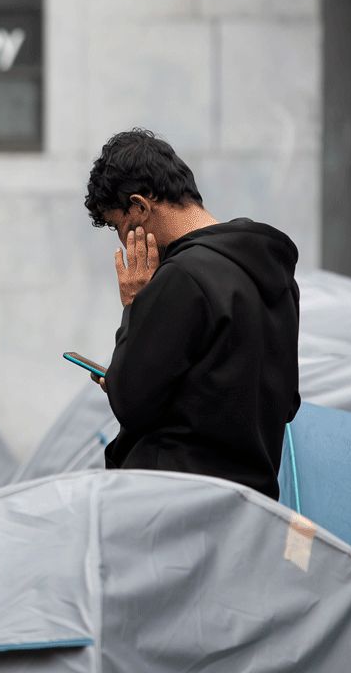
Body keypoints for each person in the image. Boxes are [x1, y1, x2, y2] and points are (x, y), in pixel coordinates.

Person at [83, 128, 300, 500]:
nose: (123, 241)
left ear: (140, 206)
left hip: (177, 504)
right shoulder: (272, 272)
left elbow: (131, 402)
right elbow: (286, 400)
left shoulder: (181, 275)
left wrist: (136, 303)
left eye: (120, 226)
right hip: (251, 502)